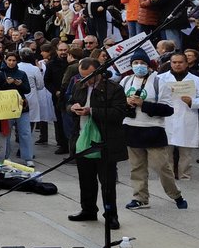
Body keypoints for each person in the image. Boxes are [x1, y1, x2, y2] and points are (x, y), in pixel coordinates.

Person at [67, 57, 129, 230]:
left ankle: (111, 215)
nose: (87, 80)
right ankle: (88, 209)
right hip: (82, 138)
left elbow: (118, 113)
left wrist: (92, 111)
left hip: (104, 141)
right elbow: (67, 103)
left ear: (99, 72)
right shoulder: (79, 85)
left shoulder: (113, 89)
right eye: (83, 76)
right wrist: (72, 108)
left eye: (90, 77)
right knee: (86, 180)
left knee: (107, 182)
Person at [120, 49, 185, 211]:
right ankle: (140, 198)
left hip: (153, 130)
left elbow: (168, 109)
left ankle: (175, 194)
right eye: (135, 63)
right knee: (137, 167)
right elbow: (117, 105)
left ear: (149, 65)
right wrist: (126, 103)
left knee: (162, 166)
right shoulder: (126, 81)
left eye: (142, 63)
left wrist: (144, 104)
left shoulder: (158, 82)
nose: (139, 66)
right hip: (131, 128)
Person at [161, 52, 199, 180]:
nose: (177, 65)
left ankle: (185, 177)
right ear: (170, 63)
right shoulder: (160, 79)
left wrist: (192, 102)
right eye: (174, 62)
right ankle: (168, 178)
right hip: (167, 120)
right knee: (166, 153)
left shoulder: (196, 80)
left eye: (180, 62)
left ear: (186, 63)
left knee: (186, 154)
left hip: (186, 119)